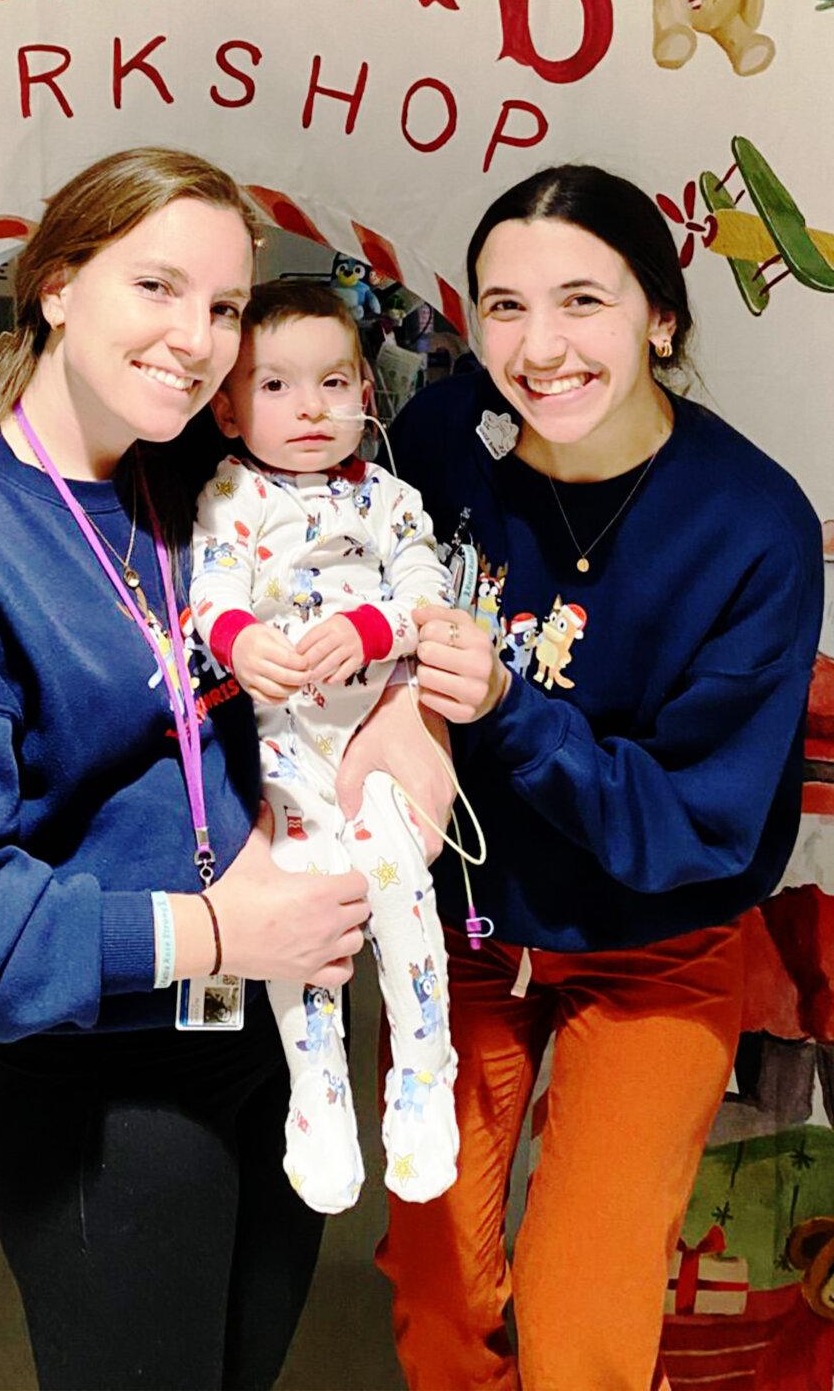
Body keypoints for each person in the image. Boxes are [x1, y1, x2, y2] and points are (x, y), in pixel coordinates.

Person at [0, 148, 374, 1391]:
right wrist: (211, 934)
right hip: (106, 1082)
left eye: (225, 308)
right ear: (58, 285)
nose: (198, 340)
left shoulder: (201, 493)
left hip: (271, 1043)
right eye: (157, 288)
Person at [335, 164, 823, 1390]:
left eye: (582, 303)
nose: (539, 348)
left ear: (661, 316)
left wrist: (509, 708)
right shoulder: (447, 438)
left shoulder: (752, 526)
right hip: (465, 937)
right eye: (503, 307)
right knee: (439, 1295)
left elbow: (701, 833)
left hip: (656, 946)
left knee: (583, 1311)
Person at [191, 280, 460, 1216]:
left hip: (376, 733)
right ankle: (321, 1093)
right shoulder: (230, 494)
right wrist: (241, 642)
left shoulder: (389, 496)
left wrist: (378, 627)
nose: (310, 407)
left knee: (397, 882)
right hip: (282, 747)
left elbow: (432, 592)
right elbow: (211, 594)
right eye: (276, 386)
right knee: (306, 909)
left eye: (333, 383)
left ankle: (424, 1073)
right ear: (227, 407)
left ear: (365, 395)